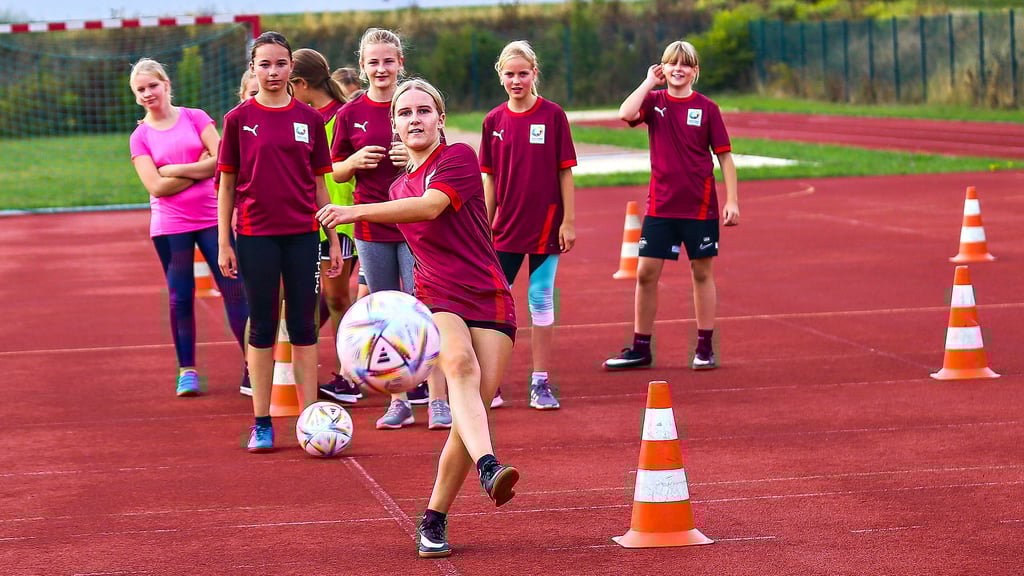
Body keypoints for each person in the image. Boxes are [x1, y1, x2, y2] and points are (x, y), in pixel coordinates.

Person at [318, 78, 519, 559]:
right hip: (437, 294)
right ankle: (489, 467)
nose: (415, 119)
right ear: (395, 126)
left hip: (490, 294)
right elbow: (401, 211)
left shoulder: (458, 158)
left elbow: (431, 207)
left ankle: (433, 518)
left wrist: (353, 212)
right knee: (461, 369)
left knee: (471, 414)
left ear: (440, 119)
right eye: (405, 113)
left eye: (424, 111)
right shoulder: (397, 186)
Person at [216, 31, 342, 452]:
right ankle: (262, 421)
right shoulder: (238, 119)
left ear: (292, 68)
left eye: (281, 63)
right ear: (253, 68)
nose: (273, 71)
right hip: (255, 237)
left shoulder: (310, 119)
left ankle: (311, 419)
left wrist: (332, 238)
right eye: (265, 64)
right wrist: (224, 242)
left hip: (303, 237)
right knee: (264, 325)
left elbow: (321, 185)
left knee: (305, 326)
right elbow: (226, 186)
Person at [330, 27, 449, 430]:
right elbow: (335, 171)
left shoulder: (414, 104)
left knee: (425, 310)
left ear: (401, 63)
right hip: (371, 227)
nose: (381, 68)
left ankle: (438, 399)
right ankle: (398, 400)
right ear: (362, 67)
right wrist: (354, 161)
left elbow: (441, 157)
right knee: (383, 315)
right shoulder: (349, 114)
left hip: (416, 227)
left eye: (388, 61)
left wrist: (412, 155)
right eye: (373, 62)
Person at [604, 40, 739, 372]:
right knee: (645, 274)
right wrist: (649, 82)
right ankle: (640, 348)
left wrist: (732, 200)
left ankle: (704, 348)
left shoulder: (707, 108)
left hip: (699, 206)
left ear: (695, 71)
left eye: (685, 64)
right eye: (672, 63)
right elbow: (625, 113)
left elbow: (725, 157)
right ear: (662, 67)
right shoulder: (654, 101)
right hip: (661, 207)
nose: (678, 69)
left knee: (701, 273)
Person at [128, 58, 249, 398]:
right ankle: (187, 371)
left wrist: (173, 169)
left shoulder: (195, 117)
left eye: (153, 85)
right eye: (140, 89)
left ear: (166, 84)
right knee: (180, 296)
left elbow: (223, 161)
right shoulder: (140, 136)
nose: (148, 93)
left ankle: (252, 364)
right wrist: (199, 168)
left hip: (212, 219)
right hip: (171, 227)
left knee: (234, 290)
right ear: (136, 96)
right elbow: (156, 187)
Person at [480, 40, 577, 411]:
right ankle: (492, 382)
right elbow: (490, 179)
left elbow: (564, 172)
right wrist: (483, 225)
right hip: (505, 230)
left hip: (546, 228)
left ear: (534, 73)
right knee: (494, 305)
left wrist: (569, 221)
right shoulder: (493, 121)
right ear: (500, 76)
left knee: (540, 298)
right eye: (510, 74)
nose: (516, 80)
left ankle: (540, 381)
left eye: (523, 73)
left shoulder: (553, 115)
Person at [289, 48, 364, 405]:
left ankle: (349, 374)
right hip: (306, 220)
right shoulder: (301, 117)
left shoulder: (341, 115)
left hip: (339, 220)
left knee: (337, 298)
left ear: (302, 83)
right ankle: (288, 370)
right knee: (307, 299)